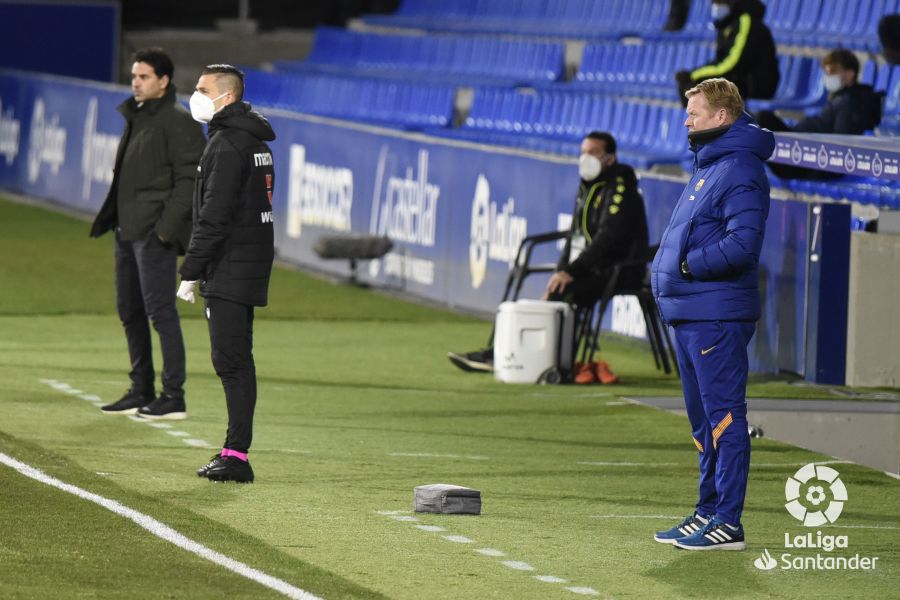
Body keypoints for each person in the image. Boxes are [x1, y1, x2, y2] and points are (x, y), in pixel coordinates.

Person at [651, 78, 773, 550]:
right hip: (692, 311)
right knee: (705, 423)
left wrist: (686, 265)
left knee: (725, 418)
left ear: (721, 117)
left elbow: (744, 244)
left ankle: (728, 521)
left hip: (715, 315)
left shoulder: (740, 168)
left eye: (694, 113)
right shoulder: (712, 164)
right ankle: (706, 510)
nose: (687, 120)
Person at [448, 131, 649, 384]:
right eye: (582, 152)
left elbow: (608, 239)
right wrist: (562, 269)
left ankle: (545, 362)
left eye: (592, 153)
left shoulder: (621, 188)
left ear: (610, 158)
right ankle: (507, 353)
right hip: (596, 267)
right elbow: (576, 234)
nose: (585, 158)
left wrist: (572, 271)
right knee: (558, 284)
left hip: (620, 270)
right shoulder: (588, 185)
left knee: (566, 289)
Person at [90, 47, 206, 419]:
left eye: (143, 77)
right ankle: (141, 389)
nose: (135, 83)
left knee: (160, 313)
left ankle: (174, 395)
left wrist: (164, 230)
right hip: (128, 229)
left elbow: (190, 179)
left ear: (164, 81)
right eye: (134, 76)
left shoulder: (178, 121)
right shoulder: (139, 116)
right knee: (130, 310)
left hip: (152, 233)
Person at [177, 65, 276, 483]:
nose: (195, 95)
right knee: (238, 361)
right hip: (247, 263)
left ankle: (236, 456)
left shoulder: (228, 144)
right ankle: (234, 450)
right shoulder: (253, 140)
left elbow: (214, 217)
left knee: (231, 362)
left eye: (202, 89)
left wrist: (191, 271)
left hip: (231, 266)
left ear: (227, 97)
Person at [756, 49, 882, 180]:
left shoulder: (850, 102)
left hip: (805, 163)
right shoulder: (841, 98)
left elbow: (841, 143)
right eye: (826, 72)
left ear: (850, 74)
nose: (828, 76)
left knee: (762, 120)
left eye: (833, 71)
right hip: (800, 155)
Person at [675, 0, 779, 107]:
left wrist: (693, 75)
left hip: (756, 86)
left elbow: (732, 63)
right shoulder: (726, 23)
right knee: (697, 88)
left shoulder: (746, 22)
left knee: (702, 87)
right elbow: (721, 61)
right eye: (714, 3)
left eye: (721, 3)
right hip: (740, 81)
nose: (716, 7)